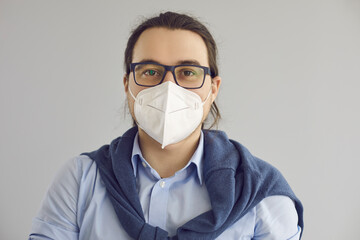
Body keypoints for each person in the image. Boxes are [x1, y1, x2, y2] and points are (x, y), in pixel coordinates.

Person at [29, 11, 304, 240]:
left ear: (213, 88)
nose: (169, 87)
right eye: (150, 71)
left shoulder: (260, 194)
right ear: (127, 85)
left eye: (188, 72)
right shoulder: (78, 181)